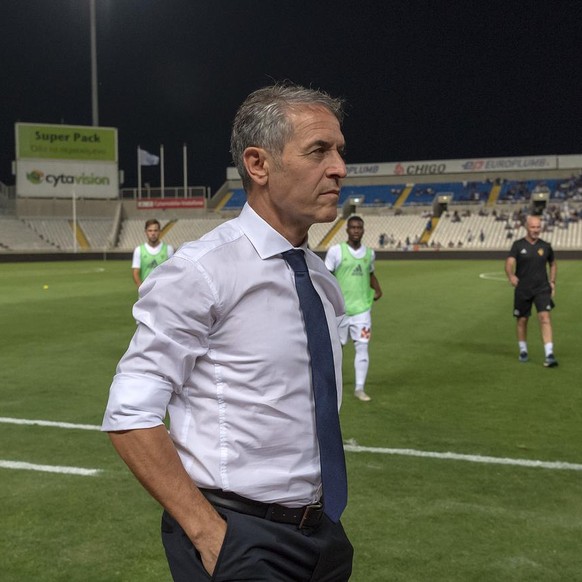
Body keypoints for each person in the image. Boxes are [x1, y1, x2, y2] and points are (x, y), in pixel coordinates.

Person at [102, 83, 353, 581]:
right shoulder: (202, 271)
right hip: (236, 534)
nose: (339, 168)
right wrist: (210, 535)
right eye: (319, 151)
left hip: (320, 532)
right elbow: (130, 414)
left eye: (340, 150)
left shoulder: (319, 277)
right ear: (258, 165)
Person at [325, 216, 383, 401]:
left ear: (363, 230)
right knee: (336, 348)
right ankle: (329, 384)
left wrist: (378, 289)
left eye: (359, 227)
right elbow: (327, 276)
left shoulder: (369, 253)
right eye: (353, 227)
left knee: (362, 347)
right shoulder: (336, 251)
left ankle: (360, 388)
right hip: (340, 310)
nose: (356, 230)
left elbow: (370, 272)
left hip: (362, 311)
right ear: (347, 230)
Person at [505, 214, 558, 367]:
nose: (536, 230)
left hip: (542, 288)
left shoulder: (546, 246)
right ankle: (523, 350)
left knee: (545, 318)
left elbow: (553, 264)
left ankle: (549, 354)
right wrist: (511, 275)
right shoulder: (517, 245)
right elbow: (509, 263)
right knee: (522, 320)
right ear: (527, 227)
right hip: (523, 289)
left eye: (538, 227)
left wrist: (552, 282)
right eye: (533, 227)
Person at [131, 218, 174, 287]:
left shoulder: (168, 249)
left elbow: (172, 271)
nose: (153, 233)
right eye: (150, 231)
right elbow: (135, 273)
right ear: (146, 232)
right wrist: (142, 289)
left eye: (155, 230)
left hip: (162, 292)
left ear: (160, 231)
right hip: (146, 293)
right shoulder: (139, 250)